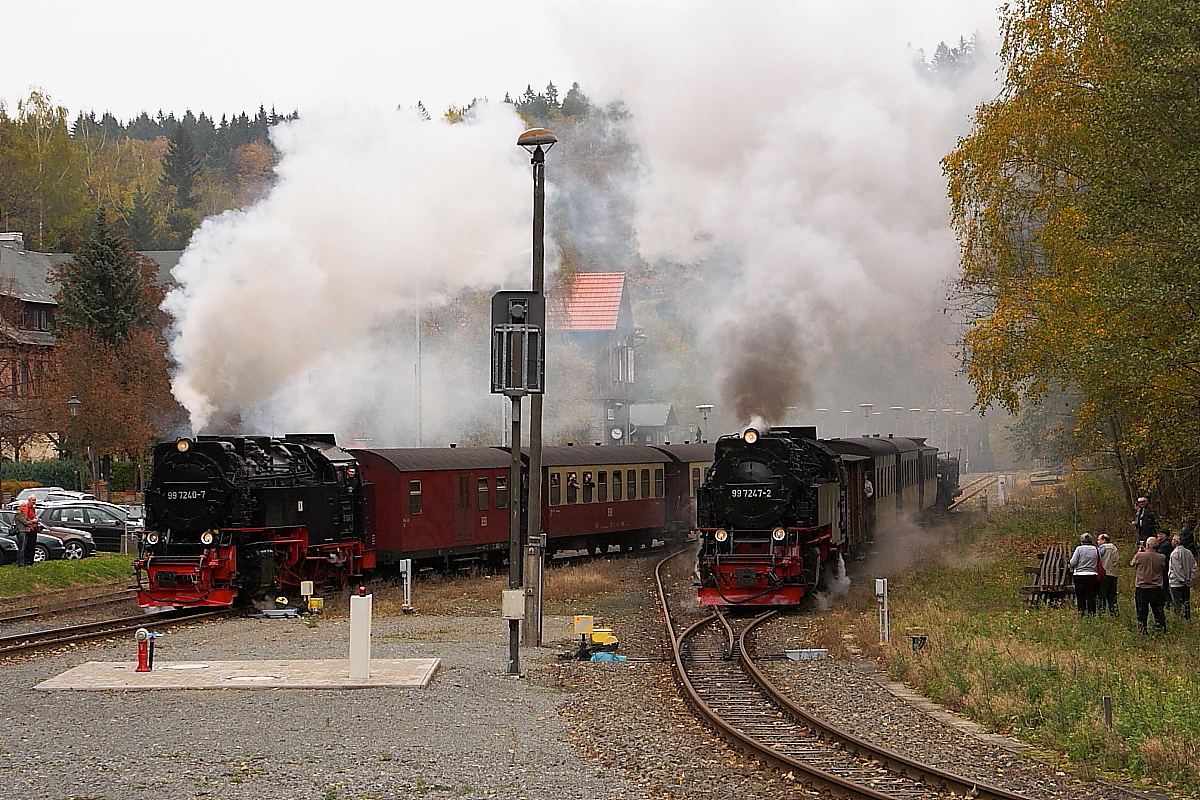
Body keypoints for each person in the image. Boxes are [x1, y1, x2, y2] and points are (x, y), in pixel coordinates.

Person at [1131, 534, 1168, 634]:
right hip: (1156, 587)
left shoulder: (1140, 556)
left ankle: (1143, 629)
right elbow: (1162, 568)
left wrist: (1139, 551)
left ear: (1147, 545)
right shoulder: (1161, 557)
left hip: (1142, 587)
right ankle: (1161, 629)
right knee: (1158, 611)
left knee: (1141, 611)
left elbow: (1132, 564)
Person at [1068, 533, 1101, 616]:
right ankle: (1092, 613)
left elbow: (1073, 562)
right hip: (1092, 575)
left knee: (1081, 596)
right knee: (1091, 597)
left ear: (1081, 541)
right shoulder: (1095, 549)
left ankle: (1081, 613)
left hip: (1080, 575)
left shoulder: (1079, 549)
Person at [1168, 533, 1197, 619]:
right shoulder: (1188, 552)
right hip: (1186, 582)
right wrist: (1190, 579)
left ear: (1176, 542)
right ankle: (1187, 619)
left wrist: (1183, 580)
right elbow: (1194, 567)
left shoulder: (1175, 554)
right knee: (1186, 603)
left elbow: (1177, 570)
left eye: (1173, 540)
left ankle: (1180, 620)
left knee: (1178, 603)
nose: (1171, 542)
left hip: (1177, 583)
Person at [1096, 533, 1119, 617]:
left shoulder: (1103, 548)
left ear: (1104, 540)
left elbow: (1097, 557)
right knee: (1112, 596)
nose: (1097, 541)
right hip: (1113, 574)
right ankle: (1114, 614)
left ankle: (1101, 614)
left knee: (1102, 595)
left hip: (1104, 574)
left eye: (1099, 540)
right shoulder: (1114, 548)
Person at [13, 496, 40, 567]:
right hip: (23, 531)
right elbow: (26, 522)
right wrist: (32, 521)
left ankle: (26, 562)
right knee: (22, 548)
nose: (34, 502)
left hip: (29, 530)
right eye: (22, 507)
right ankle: (21, 563)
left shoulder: (32, 509)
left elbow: (28, 520)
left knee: (26, 547)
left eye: (35, 500)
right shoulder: (19, 514)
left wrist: (34, 521)